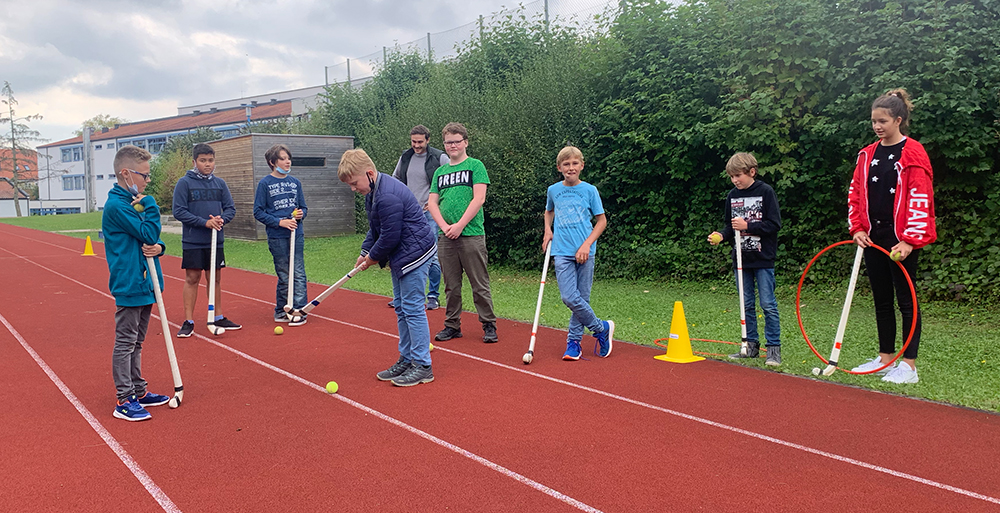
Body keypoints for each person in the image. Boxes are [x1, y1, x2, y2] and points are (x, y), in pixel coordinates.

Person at [848, 88, 936, 384]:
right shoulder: (868, 154)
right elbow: (856, 194)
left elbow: (920, 198)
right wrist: (858, 228)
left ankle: (908, 365)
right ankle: (886, 358)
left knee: (906, 301)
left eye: (883, 121)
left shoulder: (913, 152)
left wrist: (911, 239)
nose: (877, 127)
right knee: (881, 299)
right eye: (874, 121)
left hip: (901, 240)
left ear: (899, 120)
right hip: (873, 237)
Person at [338, 149, 438, 386]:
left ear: (369, 174)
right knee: (402, 308)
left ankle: (423, 365)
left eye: (354, 183)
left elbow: (390, 236)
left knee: (412, 308)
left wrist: (372, 258)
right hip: (401, 255)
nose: (353, 188)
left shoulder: (387, 196)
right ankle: (407, 359)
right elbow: (375, 229)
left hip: (415, 253)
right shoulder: (373, 193)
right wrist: (364, 252)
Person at [102, 145, 172, 421]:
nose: (147, 181)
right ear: (126, 174)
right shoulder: (118, 205)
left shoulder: (132, 203)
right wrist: (152, 203)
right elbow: (147, 231)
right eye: (144, 175)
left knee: (138, 341)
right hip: (130, 280)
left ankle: (138, 389)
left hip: (145, 280)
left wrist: (161, 247)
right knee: (126, 341)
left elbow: (149, 241)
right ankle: (125, 398)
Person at [708, 152, 783, 366]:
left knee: (767, 304)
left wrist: (748, 226)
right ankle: (750, 346)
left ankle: (773, 350)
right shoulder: (732, 196)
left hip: (763, 258)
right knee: (746, 304)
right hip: (741, 259)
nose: (735, 180)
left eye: (738, 175)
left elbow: (774, 225)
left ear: (752, 172)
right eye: (731, 177)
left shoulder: (766, 192)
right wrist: (722, 236)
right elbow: (729, 226)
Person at [427, 122, 499, 343]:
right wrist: (444, 226)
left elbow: (479, 198)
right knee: (451, 286)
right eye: (448, 142)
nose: (453, 146)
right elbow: (432, 203)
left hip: (471, 234)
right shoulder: (440, 172)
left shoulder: (475, 166)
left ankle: (489, 325)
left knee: (479, 283)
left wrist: (459, 225)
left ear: (465, 142)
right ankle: (452, 325)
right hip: (446, 237)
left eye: (457, 141)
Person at [542, 146, 615, 360]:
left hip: (585, 251)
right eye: (566, 164)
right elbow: (549, 211)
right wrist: (548, 229)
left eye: (574, 164)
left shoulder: (590, 190)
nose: (570, 168)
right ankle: (600, 328)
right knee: (569, 297)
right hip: (562, 251)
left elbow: (601, 221)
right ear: (559, 168)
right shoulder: (553, 190)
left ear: (581, 165)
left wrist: (586, 244)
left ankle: (573, 343)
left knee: (582, 297)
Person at [172, 143, 240, 337]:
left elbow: (230, 209)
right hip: (194, 241)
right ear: (194, 162)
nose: (207, 164)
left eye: (210, 160)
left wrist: (221, 220)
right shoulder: (184, 183)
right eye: (203, 161)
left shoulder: (220, 184)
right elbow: (179, 211)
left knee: (215, 279)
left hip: (215, 241)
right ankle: (188, 320)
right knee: (192, 278)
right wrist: (204, 223)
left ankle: (218, 316)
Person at [389, 125, 450, 310]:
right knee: (405, 252)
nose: (416, 145)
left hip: (430, 213)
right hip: (408, 214)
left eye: (420, 142)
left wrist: (436, 202)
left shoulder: (439, 158)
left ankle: (433, 296)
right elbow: (395, 179)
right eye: (413, 142)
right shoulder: (405, 157)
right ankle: (403, 296)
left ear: (428, 140)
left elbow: (450, 182)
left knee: (431, 255)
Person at [253, 144, 309, 326]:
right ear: (272, 162)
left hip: (296, 234)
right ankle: (282, 309)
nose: (287, 161)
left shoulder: (295, 183)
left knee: (298, 272)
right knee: (284, 274)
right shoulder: (265, 184)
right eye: (283, 158)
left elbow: (304, 207)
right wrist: (279, 222)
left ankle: (300, 309)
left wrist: (301, 214)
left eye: (288, 158)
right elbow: (258, 212)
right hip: (277, 236)